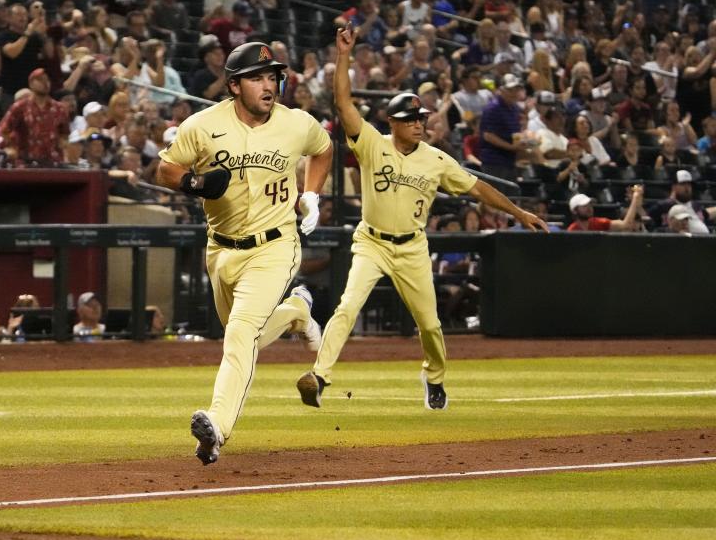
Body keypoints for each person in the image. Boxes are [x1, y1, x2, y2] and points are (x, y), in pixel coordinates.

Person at [294, 23, 547, 413]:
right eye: (410, 118)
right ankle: (320, 377)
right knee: (347, 306)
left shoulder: (437, 159)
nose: (418, 123)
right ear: (392, 122)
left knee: (429, 325)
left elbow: (477, 188)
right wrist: (343, 55)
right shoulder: (372, 144)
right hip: (372, 242)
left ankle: (435, 377)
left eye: (420, 118)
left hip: (412, 248)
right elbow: (343, 104)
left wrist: (517, 212)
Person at [155, 40, 333, 465]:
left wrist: (311, 194)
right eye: (257, 78)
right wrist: (194, 185)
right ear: (235, 86)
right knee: (244, 334)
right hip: (221, 250)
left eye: (272, 76)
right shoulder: (202, 125)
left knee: (240, 333)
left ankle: (216, 427)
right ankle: (297, 312)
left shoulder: (296, 123)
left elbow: (324, 148)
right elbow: (166, 168)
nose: (268, 84)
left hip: (276, 245)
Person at [566, 189, 644, 231]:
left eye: (590, 204)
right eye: (584, 206)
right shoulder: (572, 230)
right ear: (574, 211)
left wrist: (635, 198)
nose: (589, 208)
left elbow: (625, 225)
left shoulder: (599, 223)